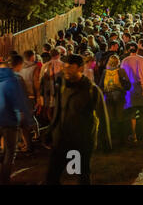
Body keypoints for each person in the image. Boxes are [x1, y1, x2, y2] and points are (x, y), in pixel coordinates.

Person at [44, 54, 111, 185]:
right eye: (65, 66)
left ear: (80, 68)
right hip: (61, 141)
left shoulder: (91, 90)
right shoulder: (62, 86)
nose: (66, 69)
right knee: (51, 176)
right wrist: (50, 131)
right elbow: (58, 111)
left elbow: (102, 116)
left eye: (70, 67)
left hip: (80, 143)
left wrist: (105, 142)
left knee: (80, 175)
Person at [0, 58, 28, 184]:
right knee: (10, 151)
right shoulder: (14, 80)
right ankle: (5, 179)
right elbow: (19, 101)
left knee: (6, 150)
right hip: (9, 121)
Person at [120, 42, 143, 143]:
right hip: (142, 87)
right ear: (137, 50)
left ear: (128, 50)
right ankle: (142, 133)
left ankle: (134, 135)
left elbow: (122, 76)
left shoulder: (124, 61)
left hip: (130, 88)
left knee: (132, 113)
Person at [99, 55, 131, 148]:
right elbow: (128, 85)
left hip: (108, 96)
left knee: (110, 117)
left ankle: (111, 138)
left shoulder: (105, 72)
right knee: (120, 117)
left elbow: (101, 85)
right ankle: (121, 140)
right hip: (119, 96)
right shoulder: (121, 71)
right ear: (118, 62)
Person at [11, 55, 35, 154]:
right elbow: (23, 93)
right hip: (18, 107)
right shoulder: (18, 78)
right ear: (19, 64)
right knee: (24, 128)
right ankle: (26, 147)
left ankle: (22, 146)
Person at [39, 49, 64, 124]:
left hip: (48, 90)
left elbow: (40, 79)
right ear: (59, 55)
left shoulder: (45, 65)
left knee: (49, 107)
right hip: (60, 90)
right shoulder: (62, 64)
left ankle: (51, 123)